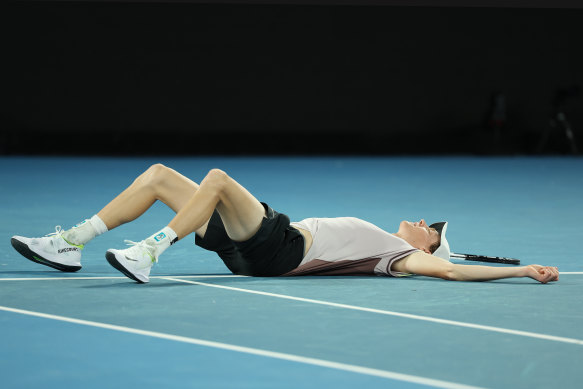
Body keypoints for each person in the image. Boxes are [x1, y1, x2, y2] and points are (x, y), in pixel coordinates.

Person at [11, 164, 559, 284]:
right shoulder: (398, 241)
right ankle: (69, 244)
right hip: (255, 246)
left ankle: (149, 252)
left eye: (428, 226)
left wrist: (521, 272)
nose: (419, 221)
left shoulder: (399, 255)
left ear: (431, 245)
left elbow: (450, 274)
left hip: (280, 247)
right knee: (158, 177)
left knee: (219, 180)